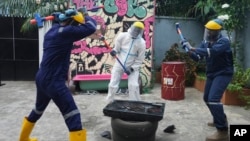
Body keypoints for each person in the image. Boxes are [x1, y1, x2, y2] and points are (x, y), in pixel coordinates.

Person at [19, 8, 97, 141]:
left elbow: (57, 22)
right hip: (54, 82)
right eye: (76, 25)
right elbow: (91, 27)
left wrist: (56, 17)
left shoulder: (52, 31)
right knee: (73, 117)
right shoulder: (67, 32)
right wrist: (85, 15)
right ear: (72, 23)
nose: (78, 27)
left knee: (38, 110)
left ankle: (23, 138)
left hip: (41, 77)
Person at [182, 19, 234, 141]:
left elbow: (213, 52)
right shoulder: (205, 42)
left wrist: (193, 48)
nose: (209, 33)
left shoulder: (224, 41)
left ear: (218, 31)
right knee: (207, 98)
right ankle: (220, 117)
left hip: (223, 73)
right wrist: (188, 51)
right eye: (208, 30)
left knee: (213, 99)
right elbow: (198, 57)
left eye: (211, 31)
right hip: (212, 73)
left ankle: (222, 131)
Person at [106, 21, 146, 103]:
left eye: (139, 30)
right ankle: (109, 101)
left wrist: (132, 68)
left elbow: (139, 59)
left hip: (132, 66)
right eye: (135, 29)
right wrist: (114, 51)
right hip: (119, 63)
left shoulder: (142, 43)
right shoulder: (122, 36)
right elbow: (116, 48)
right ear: (132, 28)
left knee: (133, 85)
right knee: (113, 83)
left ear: (141, 31)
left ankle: (134, 103)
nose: (136, 31)